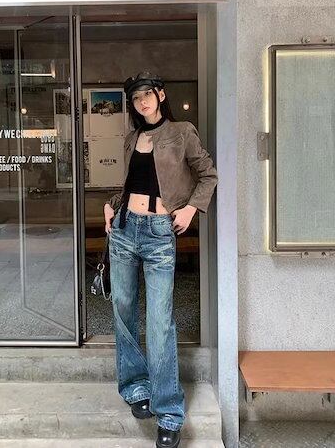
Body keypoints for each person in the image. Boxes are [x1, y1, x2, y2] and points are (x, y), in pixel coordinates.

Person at [103, 72, 218, 448]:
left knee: (159, 321)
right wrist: (111, 206)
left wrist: (191, 209)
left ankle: (169, 411)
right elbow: (131, 184)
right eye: (135, 98)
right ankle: (135, 387)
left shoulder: (182, 132)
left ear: (160, 95)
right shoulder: (132, 137)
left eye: (147, 95)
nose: (142, 102)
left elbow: (208, 174)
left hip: (158, 233)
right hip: (124, 229)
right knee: (122, 309)